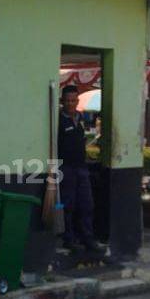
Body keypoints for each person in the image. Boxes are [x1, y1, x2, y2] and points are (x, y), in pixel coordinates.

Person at [57, 85, 106, 255]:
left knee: (87, 205)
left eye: (73, 100)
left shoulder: (80, 118)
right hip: (65, 169)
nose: (70, 103)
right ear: (62, 102)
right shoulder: (59, 120)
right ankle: (69, 239)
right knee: (67, 205)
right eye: (67, 101)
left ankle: (88, 238)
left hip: (81, 168)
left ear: (77, 101)